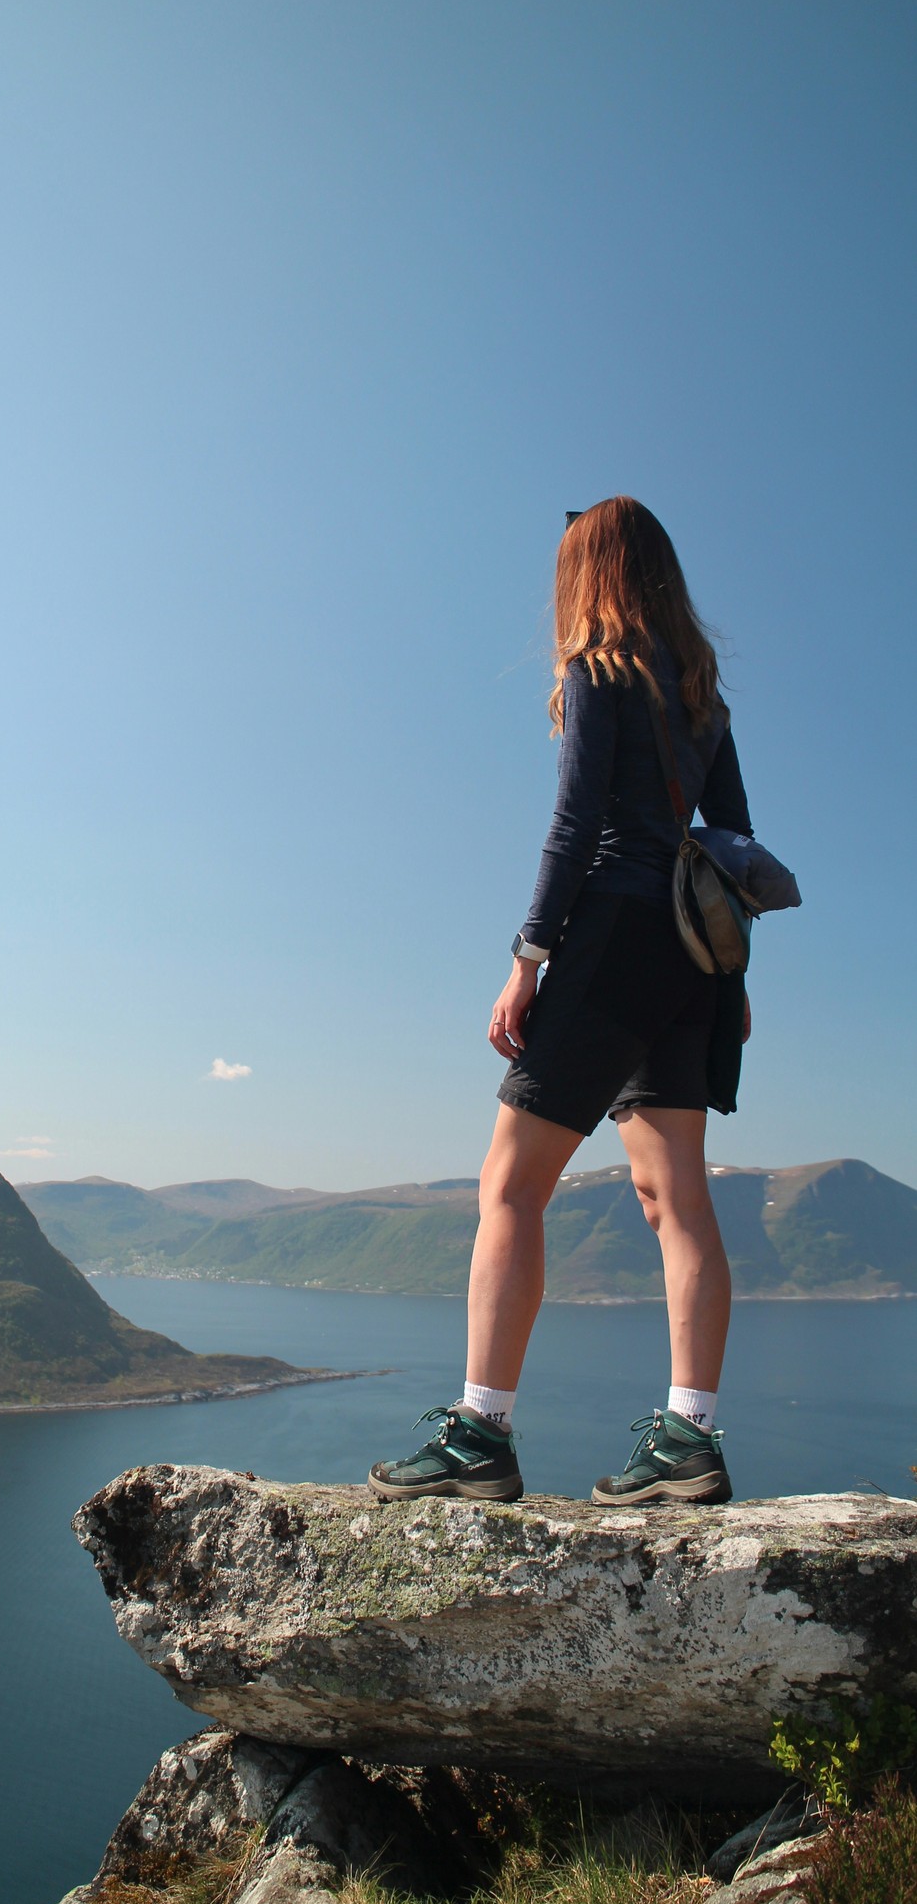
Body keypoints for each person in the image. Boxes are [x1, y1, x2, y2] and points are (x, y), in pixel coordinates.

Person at [369, 497, 753, 1508]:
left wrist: (527, 958)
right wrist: (736, 982)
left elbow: (577, 820)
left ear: (589, 574)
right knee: (677, 1198)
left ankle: (479, 1434)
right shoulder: (704, 697)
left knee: (510, 1186)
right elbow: (735, 848)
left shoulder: (597, 671)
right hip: (693, 962)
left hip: (615, 939)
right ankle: (690, 1436)